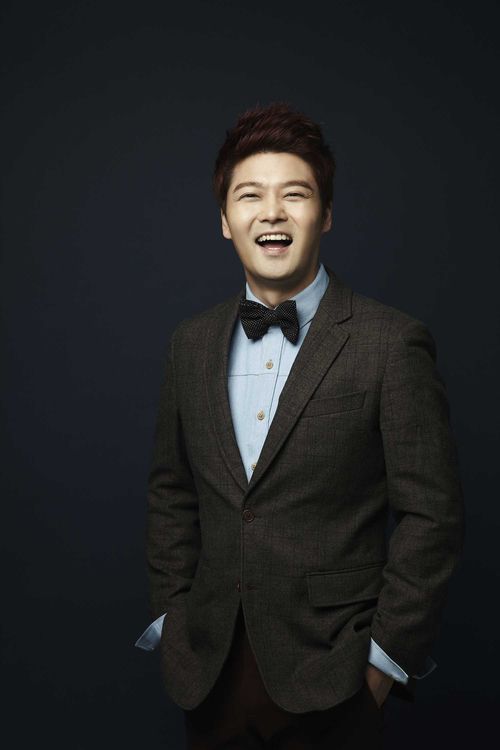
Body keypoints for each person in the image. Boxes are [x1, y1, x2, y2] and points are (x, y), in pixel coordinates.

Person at [135, 102, 465, 749]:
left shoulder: (390, 343)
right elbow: (171, 493)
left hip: (336, 678)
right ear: (225, 220)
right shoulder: (189, 344)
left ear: (326, 214)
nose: (272, 213)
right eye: (249, 195)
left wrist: (382, 664)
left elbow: (433, 515)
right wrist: (175, 623)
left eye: (295, 194)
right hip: (208, 675)